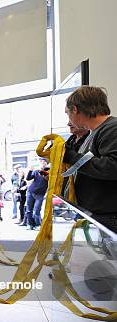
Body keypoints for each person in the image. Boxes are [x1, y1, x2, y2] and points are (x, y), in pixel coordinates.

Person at [63, 86, 117, 233]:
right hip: (98, 214)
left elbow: (112, 167)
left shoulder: (112, 128)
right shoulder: (95, 132)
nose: (69, 121)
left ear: (75, 109)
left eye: (68, 114)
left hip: (110, 216)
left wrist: (71, 156)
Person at [62, 122, 90, 200]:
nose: (68, 124)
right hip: (67, 188)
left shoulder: (90, 141)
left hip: (83, 189)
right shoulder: (70, 140)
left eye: (71, 120)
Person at [24, 162, 49, 230]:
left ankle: (38, 225)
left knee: (36, 210)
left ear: (47, 163)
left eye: (44, 162)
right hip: (31, 192)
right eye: (41, 162)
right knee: (29, 210)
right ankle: (30, 225)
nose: (42, 163)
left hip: (40, 194)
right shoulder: (36, 171)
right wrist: (30, 170)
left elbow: (48, 180)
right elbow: (28, 178)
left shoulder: (49, 172)